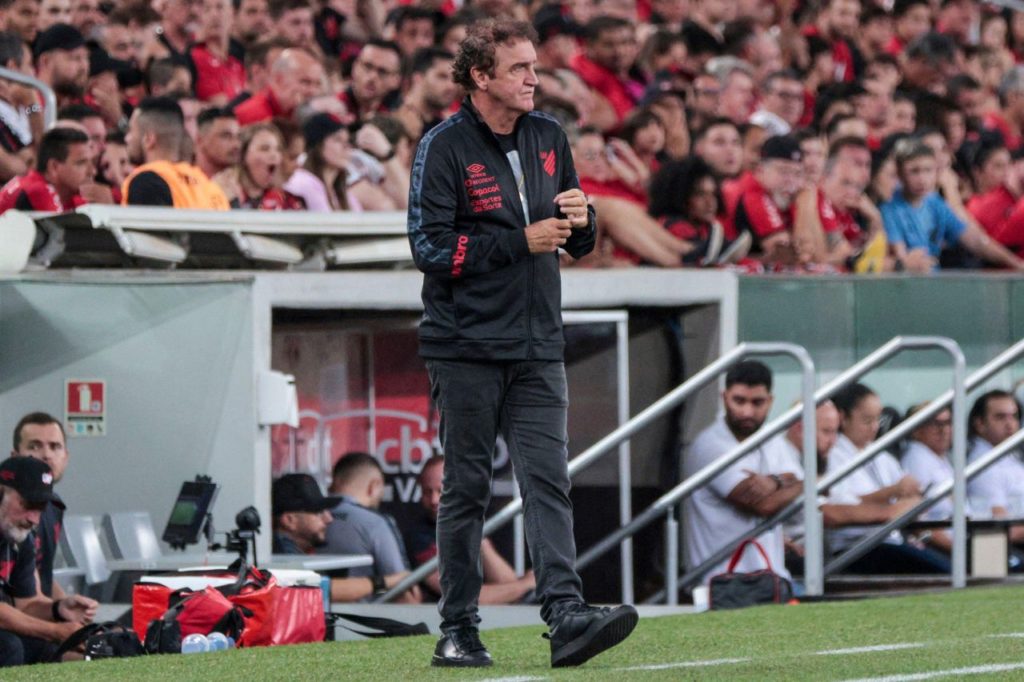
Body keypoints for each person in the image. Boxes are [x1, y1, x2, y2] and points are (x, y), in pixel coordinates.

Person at [406, 19, 635, 669]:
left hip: (538, 340)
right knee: (468, 489)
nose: (536, 78)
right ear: (481, 78)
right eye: (520, 69)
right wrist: (519, 240)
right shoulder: (443, 146)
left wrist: (583, 225)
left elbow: (568, 235)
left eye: (534, 66)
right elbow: (428, 248)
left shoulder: (548, 135)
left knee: (548, 481)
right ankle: (457, 627)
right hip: (465, 344)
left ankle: (564, 613)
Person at [683, 361, 803, 586]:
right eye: (739, 401)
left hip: (769, 577)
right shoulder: (710, 444)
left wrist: (774, 481)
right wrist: (800, 483)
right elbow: (763, 505)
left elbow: (795, 478)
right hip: (721, 583)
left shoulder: (771, 439)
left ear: (771, 401)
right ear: (724, 397)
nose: (747, 411)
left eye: (757, 402)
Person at [826, 383, 950, 573]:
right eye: (867, 420)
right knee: (944, 570)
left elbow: (911, 495)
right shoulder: (832, 455)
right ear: (843, 418)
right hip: (856, 547)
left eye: (878, 419)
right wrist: (893, 494)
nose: (875, 427)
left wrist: (904, 496)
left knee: (948, 566)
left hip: (891, 540)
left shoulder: (880, 455)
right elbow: (840, 504)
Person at [0, 456, 97, 667]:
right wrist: (55, 631)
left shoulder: (18, 535)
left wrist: (58, 610)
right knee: (8, 647)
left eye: (40, 508)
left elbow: (26, 604)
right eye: (28, 504)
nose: (34, 519)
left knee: (41, 646)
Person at [404, 456, 536, 605]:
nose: (434, 499)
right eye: (427, 492)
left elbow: (510, 587)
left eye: (441, 490)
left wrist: (477, 537)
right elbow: (467, 597)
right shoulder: (419, 536)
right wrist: (527, 583)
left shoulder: (472, 524)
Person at [880, 138, 1024, 271]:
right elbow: (904, 258)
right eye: (914, 171)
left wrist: (1017, 264)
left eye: (928, 170)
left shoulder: (935, 203)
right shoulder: (890, 210)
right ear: (900, 174)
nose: (922, 178)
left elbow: (976, 241)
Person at [271, 473, 418, 603]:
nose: (328, 518)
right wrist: (390, 581)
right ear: (289, 520)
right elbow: (324, 589)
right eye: (317, 512)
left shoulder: (292, 548)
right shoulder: (280, 551)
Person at [320, 452, 421, 604]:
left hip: (312, 614)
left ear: (334, 482)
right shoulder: (376, 523)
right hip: (363, 622)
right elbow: (406, 592)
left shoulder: (311, 518)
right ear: (374, 487)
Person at [122, 96, 230, 209]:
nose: (127, 138)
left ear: (149, 139)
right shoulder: (210, 187)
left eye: (131, 130)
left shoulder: (144, 183)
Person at [10, 413, 71, 600]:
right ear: (15, 456)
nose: (46, 455)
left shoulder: (54, 505)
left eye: (55, 447)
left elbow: (43, 577)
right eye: (34, 446)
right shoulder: (8, 508)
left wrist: (69, 607)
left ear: (65, 457)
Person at [966, 390, 1024, 525]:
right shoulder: (981, 466)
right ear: (979, 424)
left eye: (1014, 416)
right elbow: (1000, 526)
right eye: (1000, 417)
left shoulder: (1008, 454)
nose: (1010, 424)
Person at [0, 127, 91, 213]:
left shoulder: (70, 196)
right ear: (54, 167)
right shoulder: (37, 190)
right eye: (80, 163)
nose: (92, 171)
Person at [283, 112, 358, 211]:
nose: (346, 147)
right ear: (318, 145)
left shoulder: (345, 196)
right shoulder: (301, 182)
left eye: (348, 141)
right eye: (338, 139)